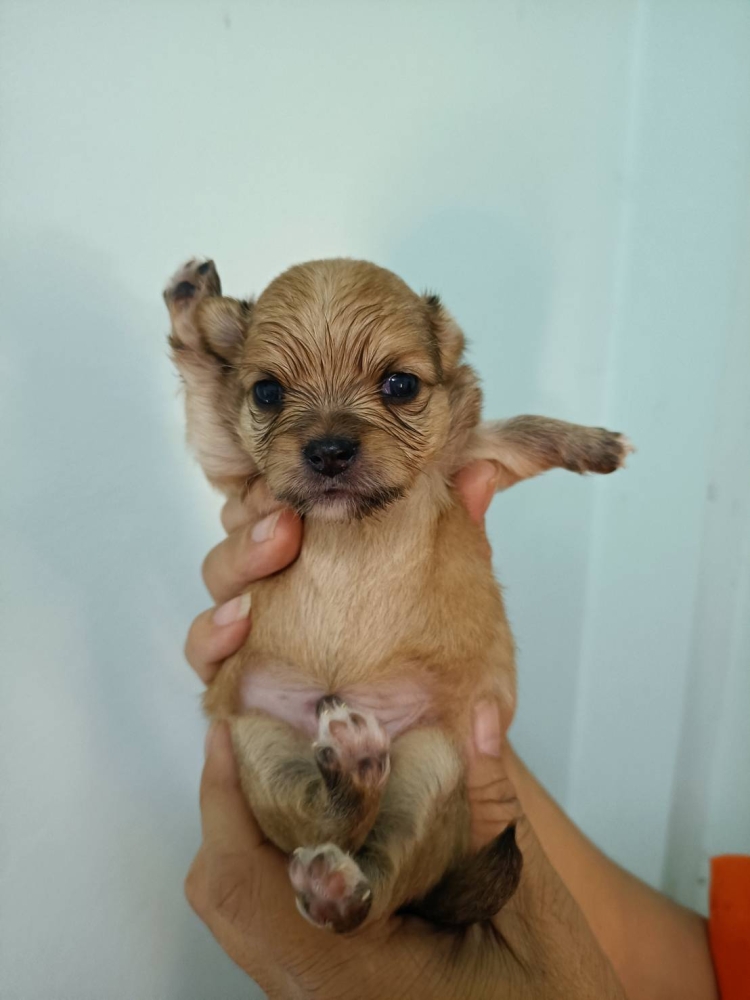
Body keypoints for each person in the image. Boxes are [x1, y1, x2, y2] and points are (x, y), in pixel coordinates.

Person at [183, 462, 719, 1000]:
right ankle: (347, 823)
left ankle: (359, 858)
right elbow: (713, 964)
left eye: (400, 398)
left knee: (417, 786)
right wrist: (477, 739)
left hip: (400, 737)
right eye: (271, 404)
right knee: (264, 747)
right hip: (310, 703)